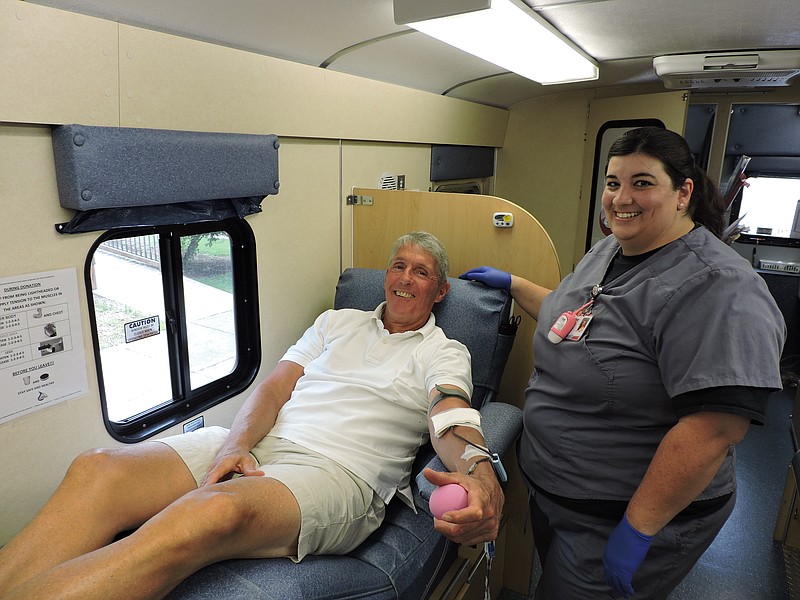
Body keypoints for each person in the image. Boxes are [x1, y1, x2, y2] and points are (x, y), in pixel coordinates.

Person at [0, 231, 503, 600]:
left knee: (212, 510)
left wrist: (480, 471)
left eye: (422, 272)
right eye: (399, 265)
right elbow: (274, 386)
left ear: (440, 292)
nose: (405, 279)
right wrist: (235, 446)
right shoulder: (336, 322)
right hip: (264, 443)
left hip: (340, 474)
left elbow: (450, 414)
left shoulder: (445, 350)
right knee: (97, 467)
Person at [461, 127, 785, 599]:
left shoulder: (719, 288)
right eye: (613, 183)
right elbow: (572, 316)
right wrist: (512, 282)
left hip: (622, 517)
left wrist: (638, 528)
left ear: (683, 192)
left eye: (642, 183)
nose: (621, 198)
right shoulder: (613, 248)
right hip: (561, 496)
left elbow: (715, 428)